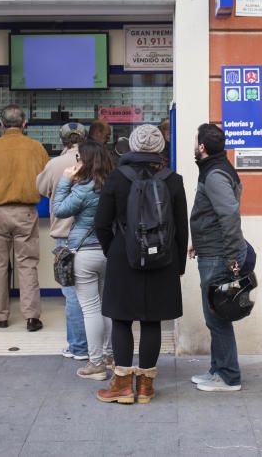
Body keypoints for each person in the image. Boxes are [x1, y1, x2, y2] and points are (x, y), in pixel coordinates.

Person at [94, 124, 189, 404]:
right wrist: (178, 264)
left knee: (122, 319)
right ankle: (146, 386)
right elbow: (181, 228)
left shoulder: (116, 178)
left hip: (124, 257)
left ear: (133, 146)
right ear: (159, 149)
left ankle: (122, 385)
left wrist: (114, 251)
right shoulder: (173, 180)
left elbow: (101, 223)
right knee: (152, 321)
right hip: (163, 259)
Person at [0, 104, 49, 331]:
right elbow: (45, 180)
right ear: (24, 124)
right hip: (26, 212)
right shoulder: (36, 148)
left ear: (1, 124)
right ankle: (32, 317)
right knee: (27, 264)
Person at [189, 123, 248, 392]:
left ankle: (228, 376)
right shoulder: (218, 167)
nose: (193, 144)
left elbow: (229, 215)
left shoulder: (214, 174)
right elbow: (213, 215)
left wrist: (232, 256)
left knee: (216, 317)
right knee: (216, 316)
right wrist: (199, 242)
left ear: (202, 146)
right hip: (211, 249)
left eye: (194, 140)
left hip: (218, 256)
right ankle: (218, 370)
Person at [52, 140, 115, 380]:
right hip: (108, 252)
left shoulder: (84, 189)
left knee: (90, 309)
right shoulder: (111, 185)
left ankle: (96, 364)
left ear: (85, 161)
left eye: (78, 158)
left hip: (85, 252)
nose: (75, 162)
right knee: (106, 307)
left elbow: (59, 209)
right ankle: (109, 356)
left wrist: (67, 179)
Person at [36, 122, 89, 359]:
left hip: (65, 239)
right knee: (94, 295)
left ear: (62, 140)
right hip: (93, 237)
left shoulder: (55, 164)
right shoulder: (96, 161)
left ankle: (78, 346)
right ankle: (100, 348)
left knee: (72, 295)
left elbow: (41, 188)